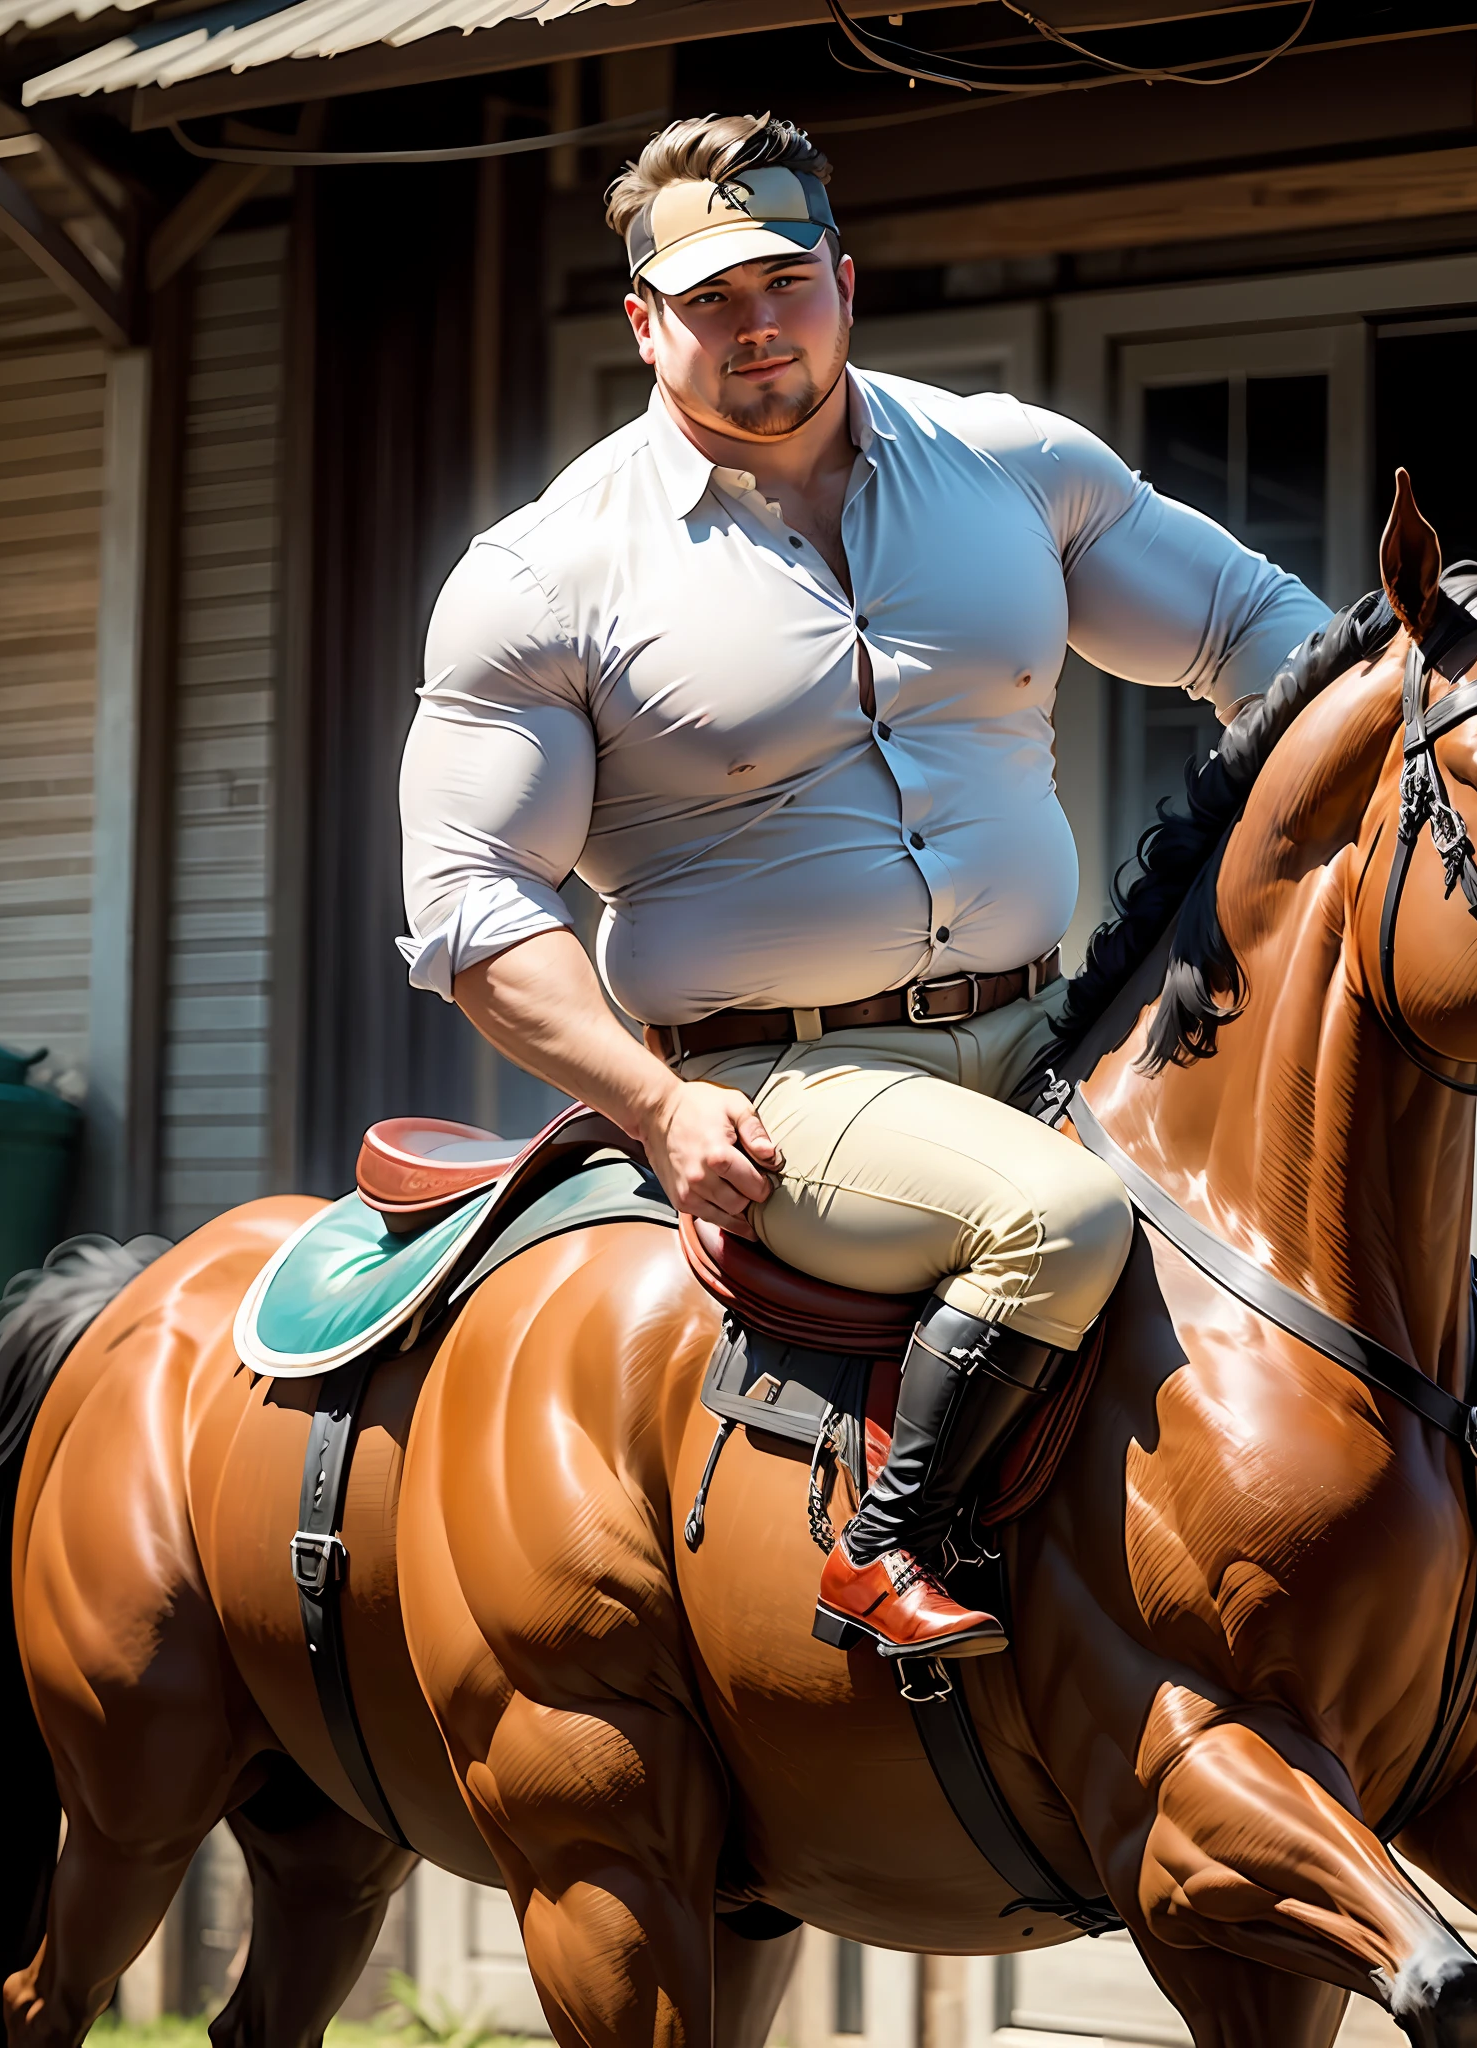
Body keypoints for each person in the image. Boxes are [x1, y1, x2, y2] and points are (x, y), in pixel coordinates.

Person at [397, 112, 1332, 1664]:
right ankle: (885, 1550)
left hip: (1053, 1019)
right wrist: (658, 1108)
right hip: (787, 1080)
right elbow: (474, 905)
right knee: (1060, 1219)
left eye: (783, 281)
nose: (755, 324)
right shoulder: (542, 577)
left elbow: (1260, 635)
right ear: (644, 325)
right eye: (708, 300)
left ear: (845, 278)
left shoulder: (1013, 469)